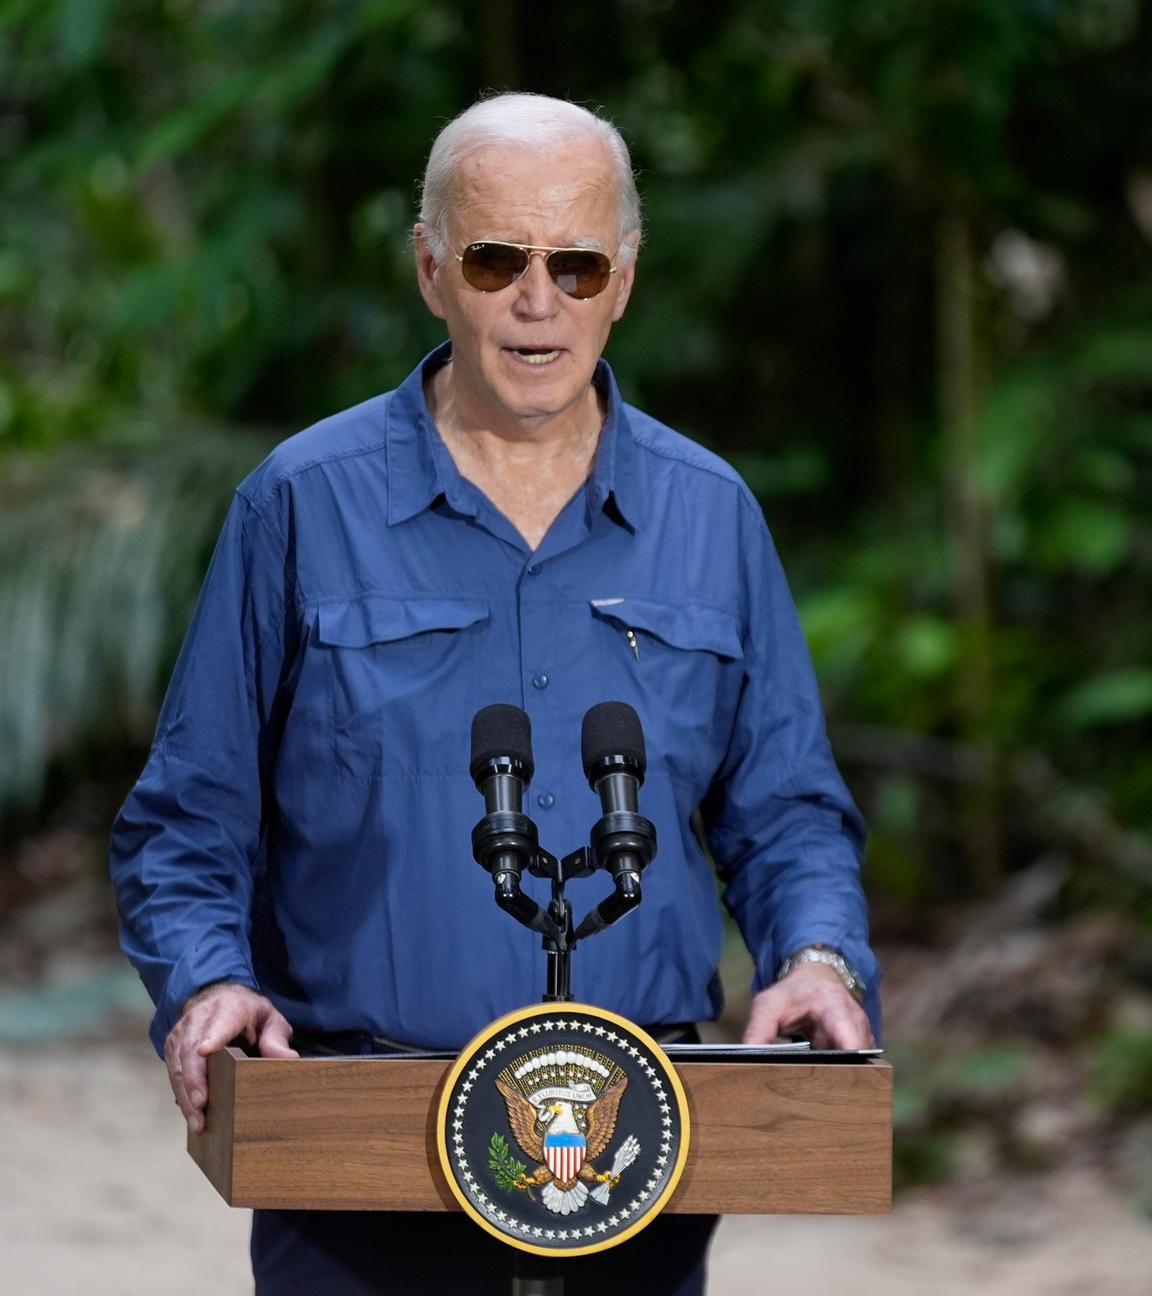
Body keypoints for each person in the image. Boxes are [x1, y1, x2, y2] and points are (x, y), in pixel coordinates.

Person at [110, 92, 878, 1295]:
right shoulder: (301, 505)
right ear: (430, 270)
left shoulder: (711, 514)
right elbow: (187, 820)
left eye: (576, 265)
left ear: (624, 279)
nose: (538, 301)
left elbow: (786, 813)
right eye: (495, 259)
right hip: (358, 1155)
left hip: (639, 1150)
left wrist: (820, 957)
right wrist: (209, 979)